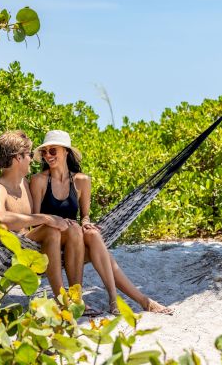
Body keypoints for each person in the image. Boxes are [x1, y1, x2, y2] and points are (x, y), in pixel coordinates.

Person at [30, 130, 173, 315]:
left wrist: (86, 223)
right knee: (78, 232)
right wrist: (58, 222)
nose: (48, 156)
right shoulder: (39, 180)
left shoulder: (82, 181)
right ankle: (136, 301)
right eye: (44, 152)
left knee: (93, 233)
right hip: (50, 242)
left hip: (76, 245)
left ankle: (116, 300)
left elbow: (85, 216)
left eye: (53, 151)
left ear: (66, 151)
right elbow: (35, 221)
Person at [0, 130, 86, 300]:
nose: (32, 159)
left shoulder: (24, 183)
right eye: (28, 155)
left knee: (74, 229)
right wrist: (45, 218)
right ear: (18, 158)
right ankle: (62, 300)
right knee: (51, 230)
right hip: (6, 252)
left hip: (29, 242)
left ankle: (76, 297)